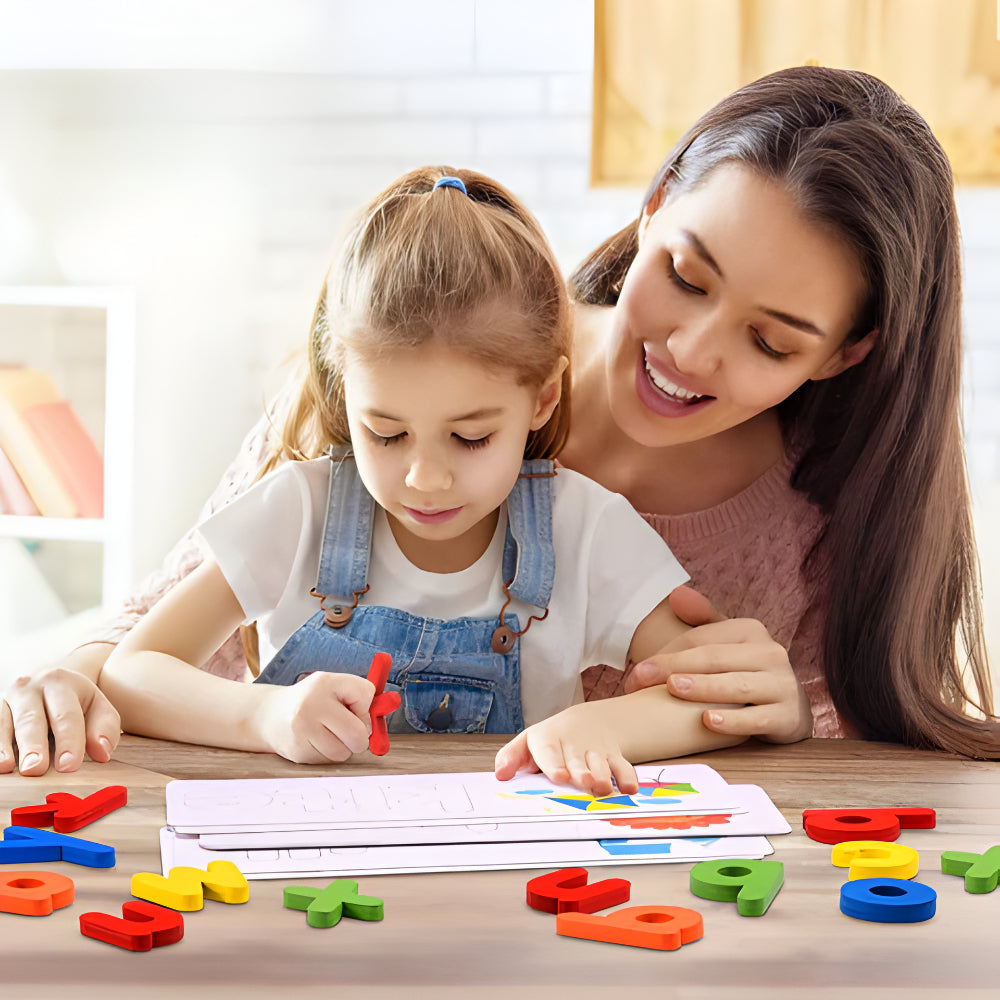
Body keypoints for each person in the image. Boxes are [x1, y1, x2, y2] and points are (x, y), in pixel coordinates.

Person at [4, 64, 995, 777]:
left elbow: (829, 759)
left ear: (844, 353)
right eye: (685, 275)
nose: (692, 350)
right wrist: (76, 675)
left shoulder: (804, 525)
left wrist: (781, 717)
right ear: (652, 206)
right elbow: (158, 638)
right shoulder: (426, 341)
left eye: (771, 342)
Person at [91, 166, 751, 796]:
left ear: (544, 397)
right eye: (385, 433)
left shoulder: (583, 529)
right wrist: (266, 716)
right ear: (344, 395)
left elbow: (715, 697)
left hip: (509, 871)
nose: (425, 479)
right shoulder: (300, 512)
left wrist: (604, 724)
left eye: (471, 438)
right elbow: (133, 673)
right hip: (313, 862)